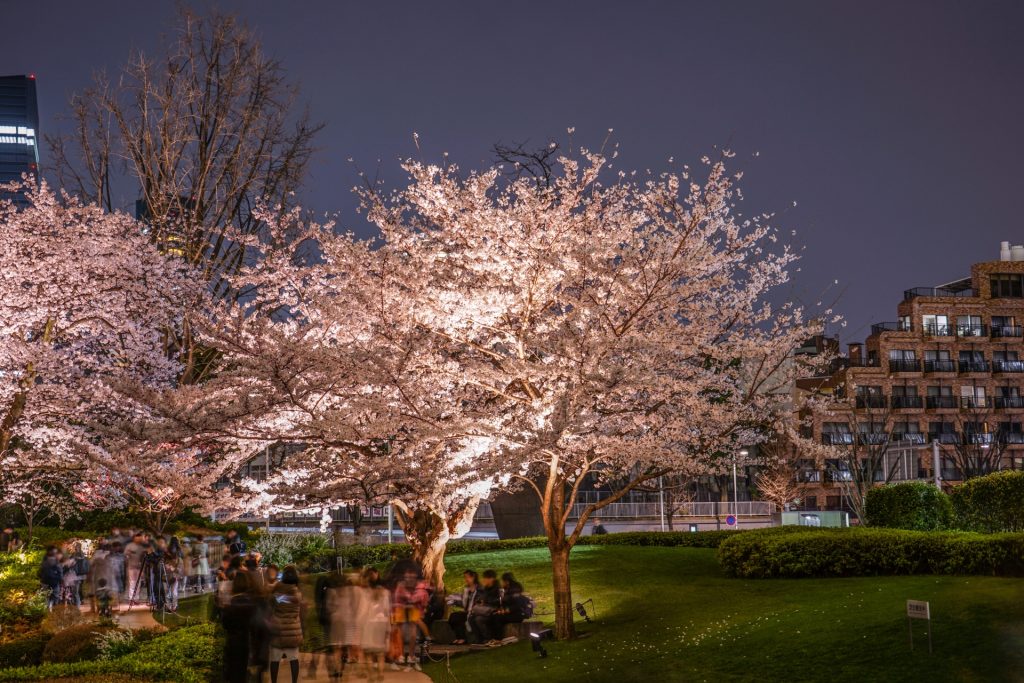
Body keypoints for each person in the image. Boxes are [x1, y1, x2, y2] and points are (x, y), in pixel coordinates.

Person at [268, 565, 305, 683]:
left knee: (274, 659)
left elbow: (269, 603)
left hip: (277, 630)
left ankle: (274, 681)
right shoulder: (296, 592)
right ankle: (294, 681)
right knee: (293, 658)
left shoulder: (276, 589)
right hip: (292, 630)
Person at [391, 565, 430, 672]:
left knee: (413, 635)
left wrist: (416, 602)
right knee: (399, 633)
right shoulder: (401, 586)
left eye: (412, 576)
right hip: (402, 609)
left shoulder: (419, 586)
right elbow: (398, 599)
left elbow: (421, 599)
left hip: (412, 610)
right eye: (408, 576)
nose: (410, 578)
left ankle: (411, 658)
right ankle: (398, 656)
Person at [221, 571, 257, 683]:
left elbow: (225, 624)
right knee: (243, 672)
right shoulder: (252, 604)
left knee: (233, 673)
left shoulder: (230, 606)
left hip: (233, 642)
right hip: (246, 642)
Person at [328, 571, 365, 675]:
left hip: (337, 622)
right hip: (350, 621)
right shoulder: (351, 591)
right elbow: (355, 606)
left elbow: (329, 607)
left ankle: (338, 669)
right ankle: (360, 670)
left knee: (337, 648)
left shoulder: (333, 591)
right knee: (356, 646)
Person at [361, 570, 392, 683]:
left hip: (369, 624)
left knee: (368, 653)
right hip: (381, 624)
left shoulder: (365, 593)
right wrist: (388, 626)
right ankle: (380, 674)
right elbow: (387, 611)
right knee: (380, 654)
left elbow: (362, 611)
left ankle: (371, 677)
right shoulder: (385, 593)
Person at [468, 569, 501, 644]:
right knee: (471, 618)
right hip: (484, 610)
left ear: (491, 579)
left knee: (479, 619)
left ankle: (488, 638)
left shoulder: (497, 588)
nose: (484, 580)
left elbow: (499, 601)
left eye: (485, 578)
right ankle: (479, 639)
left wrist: (486, 601)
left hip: (493, 611)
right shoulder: (486, 588)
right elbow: (482, 598)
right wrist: (480, 601)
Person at [490, 572, 527, 638]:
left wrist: (506, 610)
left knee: (497, 618)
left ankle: (498, 638)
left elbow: (518, 605)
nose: (501, 583)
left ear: (507, 581)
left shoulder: (514, 590)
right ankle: (493, 637)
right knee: (493, 615)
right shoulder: (506, 590)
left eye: (502, 581)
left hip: (517, 615)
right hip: (510, 613)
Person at [447, 570, 480, 644]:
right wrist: (454, 601)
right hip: (467, 611)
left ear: (473, 577)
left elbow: (478, 601)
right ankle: (459, 637)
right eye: (465, 577)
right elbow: (464, 602)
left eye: (467, 577)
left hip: (475, 612)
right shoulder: (467, 589)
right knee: (453, 616)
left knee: (460, 618)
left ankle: (463, 638)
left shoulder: (479, 589)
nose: (466, 579)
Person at [124, 533, 147, 603]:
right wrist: (129, 554)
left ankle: (136, 598)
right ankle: (131, 598)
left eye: (140, 538)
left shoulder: (142, 547)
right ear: (134, 538)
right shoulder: (129, 545)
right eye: (137, 538)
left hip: (139, 567)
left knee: (138, 583)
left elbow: (144, 557)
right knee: (132, 582)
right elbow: (125, 555)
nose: (138, 539)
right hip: (131, 567)